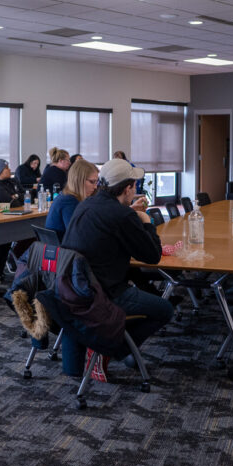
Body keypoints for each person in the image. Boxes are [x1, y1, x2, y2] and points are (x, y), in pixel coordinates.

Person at [61, 158, 172, 380]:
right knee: (166, 309)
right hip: (105, 293)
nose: (136, 189)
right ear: (128, 188)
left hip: (74, 288)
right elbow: (152, 256)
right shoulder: (123, 216)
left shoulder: (86, 204)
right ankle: (110, 348)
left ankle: (106, 345)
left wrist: (131, 216)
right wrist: (146, 221)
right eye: (135, 186)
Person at [45, 159, 99, 237]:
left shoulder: (64, 196)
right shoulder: (69, 201)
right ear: (78, 180)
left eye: (96, 182)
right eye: (92, 182)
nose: (95, 187)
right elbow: (78, 235)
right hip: (64, 247)